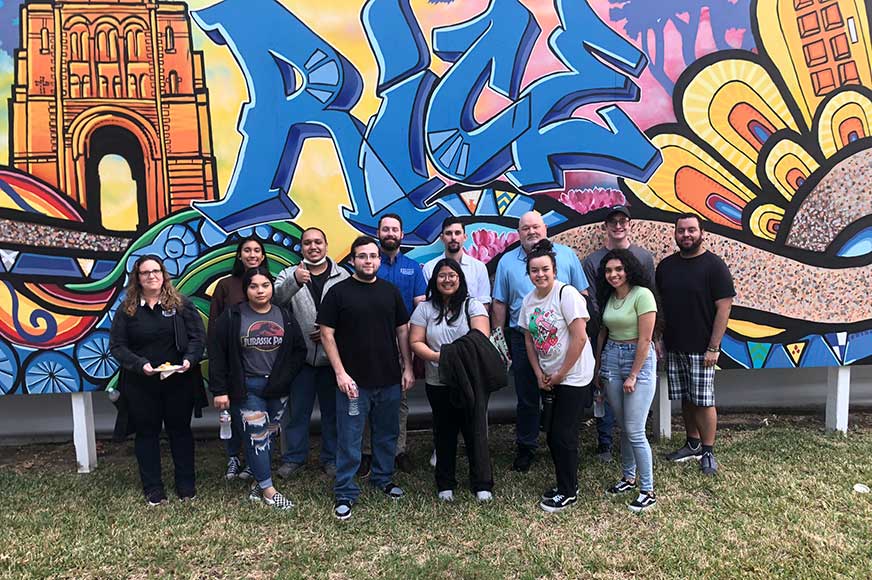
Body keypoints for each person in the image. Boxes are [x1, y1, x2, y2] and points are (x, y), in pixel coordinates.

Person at [318, 235, 415, 521]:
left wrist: (408, 367)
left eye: (373, 256)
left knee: (387, 434)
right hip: (353, 383)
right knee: (349, 439)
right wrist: (340, 373)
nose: (369, 261)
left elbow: (402, 331)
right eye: (363, 256)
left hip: (388, 379)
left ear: (378, 259)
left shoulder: (390, 291)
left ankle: (383, 479)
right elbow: (326, 334)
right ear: (352, 260)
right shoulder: (337, 293)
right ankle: (345, 492)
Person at [492, 211, 588, 472]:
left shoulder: (567, 255)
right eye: (525, 228)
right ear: (518, 232)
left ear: (545, 228)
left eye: (536, 226)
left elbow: (582, 292)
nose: (531, 232)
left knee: (564, 393)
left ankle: (564, 444)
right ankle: (526, 446)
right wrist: (498, 338)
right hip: (523, 339)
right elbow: (500, 302)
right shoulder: (507, 262)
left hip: (563, 339)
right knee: (527, 396)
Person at [109, 254, 206, 506]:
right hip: (141, 384)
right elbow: (118, 346)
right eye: (145, 272)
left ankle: (186, 484)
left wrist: (189, 360)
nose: (151, 276)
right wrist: (141, 365)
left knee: (180, 432)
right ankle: (153, 488)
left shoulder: (181, 305)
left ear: (163, 274)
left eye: (156, 271)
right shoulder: (127, 309)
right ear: (138, 279)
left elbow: (198, 339)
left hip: (179, 382)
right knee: (146, 434)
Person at [209, 266, 307, 510]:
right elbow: (217, 354)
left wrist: (286, 377)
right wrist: (220, 390)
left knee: (269, 435)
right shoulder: (232, 317)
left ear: (272, 288)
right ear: (246, 290)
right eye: (254, 286)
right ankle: (268, 490)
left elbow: (299, 350)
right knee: (257, 437)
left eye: (265, 285)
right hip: (247, 388)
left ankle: (258, 483)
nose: (260, 291)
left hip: (277, 388)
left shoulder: (283, 315)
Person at [518, 240, 594, 513]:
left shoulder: (568, 294)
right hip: (550, 376)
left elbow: (580, 337)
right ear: (528, 273)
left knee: (564, 434)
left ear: (554, 269)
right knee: (551, 434)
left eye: (545, 270)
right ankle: (566, 481)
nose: (540, 275)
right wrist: (540, 374)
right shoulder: (529, 300)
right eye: (534, 271)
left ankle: (568, 491)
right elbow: (528, 340)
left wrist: (561, 374)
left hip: (573, 376)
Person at [656, 213, 735, 476]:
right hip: (675, 345)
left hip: (703, 349)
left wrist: (714, 347)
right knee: (686, 398)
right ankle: (692, 443)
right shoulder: (666, 267)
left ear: (702, 233)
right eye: (681, 231)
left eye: (691, 230)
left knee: (704, 400)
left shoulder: (714, 266)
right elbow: (661, 308)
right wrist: (659, 339)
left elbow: (724, 308)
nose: (686, 235)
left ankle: (708, 451)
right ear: (675, 234)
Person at [410, 258, 493, 502]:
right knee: (443, 432)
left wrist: (449, 358)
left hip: (470, 379)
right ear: (435, 280)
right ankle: (445, 483)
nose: (447, 280)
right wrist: (441, 358)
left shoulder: (472, 305)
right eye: (442, 276)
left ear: (460, 278)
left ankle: (482, 484)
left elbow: (480, 337)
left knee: (475, 431)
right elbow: (416, 342)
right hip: (437, 381)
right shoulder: (424, 309)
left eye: (452, 275)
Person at [274, 227, 349, 479]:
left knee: (333, 413)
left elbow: (352, 312)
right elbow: (273, 302)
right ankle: (294, 458)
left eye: (318, 242)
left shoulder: (343, 275)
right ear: (301, 247)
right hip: (301, 359)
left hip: (333, 359)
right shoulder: (288, 273)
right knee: (298, 413)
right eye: (307, 243)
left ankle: (331, 459)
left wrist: (332, 333)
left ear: (326, 245)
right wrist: (295, 281)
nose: (313, 247)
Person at [583, 205, 655, 463]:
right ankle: (605, 442)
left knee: (633, 395)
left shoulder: (644, 258)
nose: (618, 225)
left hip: (637, 340)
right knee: (603, 390)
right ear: (605, 226)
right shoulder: (592, 261)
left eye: (622, 220)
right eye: (612, 221)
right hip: (605, 335)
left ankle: (636, 443)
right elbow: (593, 298)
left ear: (629, 223)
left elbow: (650, 297)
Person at [593, 249, 658, 512]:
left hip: (637, 360)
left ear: (628, 269)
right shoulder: (609, 297)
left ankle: (648, 489)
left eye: (618, 269)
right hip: (611, 358)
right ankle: (629, 477)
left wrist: (633, 374)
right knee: (623, 426)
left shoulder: (643, 295)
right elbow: (603, 333)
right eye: (608, 271)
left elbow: (645, 339)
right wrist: (597, 366)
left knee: (635, 429)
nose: (613, 274)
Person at [361, 213, 426, 475]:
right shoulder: (368, 265)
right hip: (368, 345)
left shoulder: (413, 267)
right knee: (366, 400)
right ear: (378, 233)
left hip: (402, 344)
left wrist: (411, 339)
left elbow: (421, 305)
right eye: (385, 229)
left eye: (394, 229)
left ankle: (398, 449)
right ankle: (366, 451)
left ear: (402, 235)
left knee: (399, 400)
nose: (390, 233)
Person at [209, 236, 271, 480]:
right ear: (239, 255)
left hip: (261, 364)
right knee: (234, 415)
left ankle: (252, 462)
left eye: (257, 250)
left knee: (257, 419)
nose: (252, 254)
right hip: (233, 363)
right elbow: (214, 327)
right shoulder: (226, 285)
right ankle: (233, 457)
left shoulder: (269, 283)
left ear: (263, 256)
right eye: (247, 250)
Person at [422, 217, 491, 308]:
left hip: (470, 321)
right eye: (448, 233)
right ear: (442, 238)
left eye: (457, 233)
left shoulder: (479, 267)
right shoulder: (429, 268)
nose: (453, 237)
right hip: (438, 320)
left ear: (465, 237)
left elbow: (484, 303)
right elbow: (428, 303)